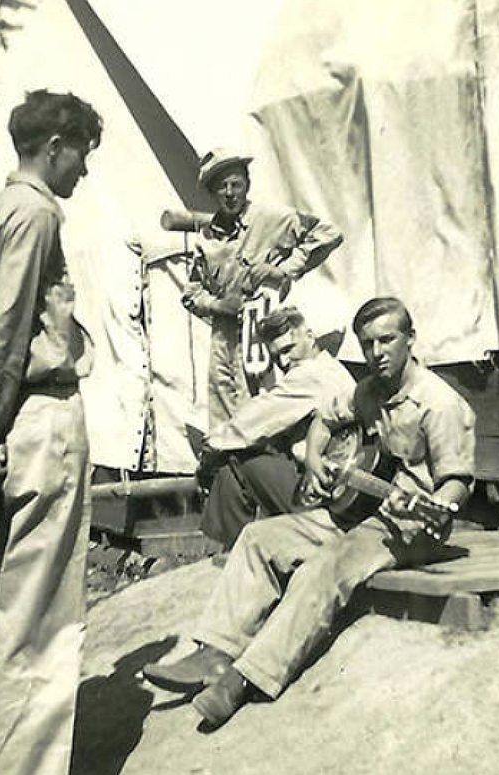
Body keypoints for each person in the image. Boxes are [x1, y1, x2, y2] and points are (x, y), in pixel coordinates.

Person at [143, 297, 476, 731]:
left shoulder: (439, 403)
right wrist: (317, 459)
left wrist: (436, 503)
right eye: (368, 343)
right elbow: (325, 416)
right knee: (260, 538)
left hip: (410, 524)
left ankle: (245, 680)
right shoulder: (369, 391)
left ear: (410, 339)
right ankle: (216, 652)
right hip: (361, 510)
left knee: (325, 568)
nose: (377, 353)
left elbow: (458, 482)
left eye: (388, 340)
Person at [0, 89, 102, 775]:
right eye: (82, 156)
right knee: (39, 622)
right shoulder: (36, 214)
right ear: (55, 146)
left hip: (0, 424)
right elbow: (7, 340)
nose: (84, 173)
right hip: (35, 419)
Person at [182, 147, 342, 428]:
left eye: (236, 184)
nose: (230, 193)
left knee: (262, 409)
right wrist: (219, 305)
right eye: (221, 187)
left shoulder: (271, 217)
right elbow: (191, 294)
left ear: (247, 185)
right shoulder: (206, 238)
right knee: (221, 414)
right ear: (211, 192)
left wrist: (282, 271)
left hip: (265, 331)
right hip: (223, 335)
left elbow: (328, 234)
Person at [197, 306, 356, 548]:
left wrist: (208, 452)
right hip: (340, 489)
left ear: (310, 336)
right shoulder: (333, 369)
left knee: (235, 462)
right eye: (275, 356)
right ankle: (233, 549)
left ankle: (228, 552)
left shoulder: (310, 375)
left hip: (325, 495)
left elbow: (250, 423)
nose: (282, 361)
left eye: (288, 349)